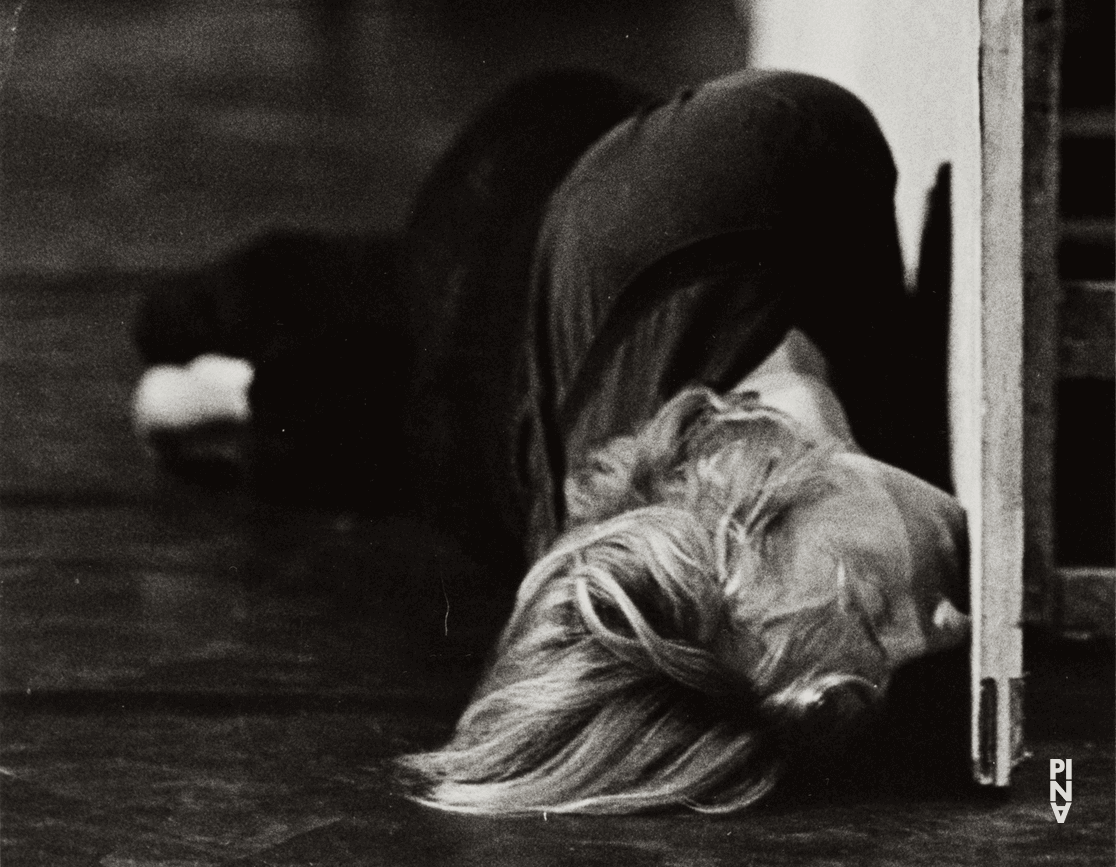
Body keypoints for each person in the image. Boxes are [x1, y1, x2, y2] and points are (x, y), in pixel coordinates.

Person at [132, 68, 969, 816]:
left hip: (491, 298)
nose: (948, 628)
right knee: (385, 356)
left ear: (762, 504)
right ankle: (235, 368)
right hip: (507, 384)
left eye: (876, 608)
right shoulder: (732, 197)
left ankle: (236, 390)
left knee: (388, 365)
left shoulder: (745, 168)